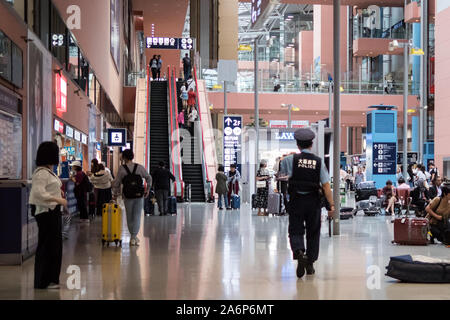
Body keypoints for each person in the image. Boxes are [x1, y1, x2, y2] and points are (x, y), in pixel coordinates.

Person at [278, 128, 334, 279]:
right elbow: (326, 186)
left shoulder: (288, 160)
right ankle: (310, 263)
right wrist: (332, 205)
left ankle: (299, 251)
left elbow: (282, 179)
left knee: (295, 230)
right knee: (313, 232)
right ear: (311, 144)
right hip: (313, 201)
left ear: (297, 144)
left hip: (296, 200)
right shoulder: (318, 162)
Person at [29, 142, 67, 289]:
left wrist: (58, 194)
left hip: (52, 211)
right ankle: (44, 281)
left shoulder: (47, 171)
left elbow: (48, 189)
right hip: (46, 212)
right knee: (48, 246)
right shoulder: (42, 173)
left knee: (54, 246)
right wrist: (58, 199)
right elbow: (39, 192)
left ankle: (50, 279)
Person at [112, 149, 152, 246]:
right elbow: (149, 177)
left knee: (129, 216)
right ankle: (134, 237)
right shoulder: (139, 167)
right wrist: (147, 189)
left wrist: (115, 194)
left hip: (127, 195)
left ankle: (132, 236)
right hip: (139, 195)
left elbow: (116, 183)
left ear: (124, 157)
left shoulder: (122, 169)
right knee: (137, 216)